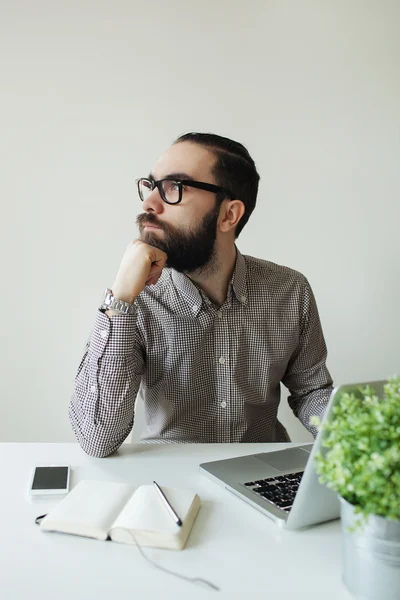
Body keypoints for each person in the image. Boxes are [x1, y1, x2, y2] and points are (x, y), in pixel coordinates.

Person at [69, 132, 333, 457]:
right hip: (168, 479)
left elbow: (311, 391)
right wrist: (120, 297)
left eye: (173, 188)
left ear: (228, 215)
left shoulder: (290, 291)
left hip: (260, 471)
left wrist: (356, 442)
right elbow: (96, 439)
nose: (149, 203)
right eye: (151, 186)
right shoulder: (135, 302)